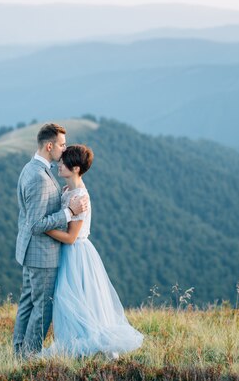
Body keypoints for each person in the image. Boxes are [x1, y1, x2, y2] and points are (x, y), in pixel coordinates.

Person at [42, 144, 144, 358]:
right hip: (71, 253)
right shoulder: (68, 190)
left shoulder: (79, 197)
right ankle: (77, 345)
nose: (59, 165)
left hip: (77, 254)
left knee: (78, 299)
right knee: (74, 301)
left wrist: (46, 228)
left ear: (76, 168)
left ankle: (84, 348)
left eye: (64, 163)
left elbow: (71, 237)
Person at [13, 123, 89, 358]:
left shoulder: (30, 168)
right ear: (49, 146)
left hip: (29, 251)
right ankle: (30, 356)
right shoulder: (39, 177)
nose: (64, 150)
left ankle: (19, 353)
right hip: (42, 254)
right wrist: (69, 212)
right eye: (62, 145)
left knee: (28, 302)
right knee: (43, 307)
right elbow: (36, 224)